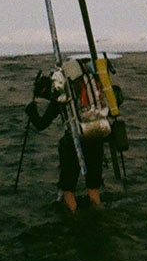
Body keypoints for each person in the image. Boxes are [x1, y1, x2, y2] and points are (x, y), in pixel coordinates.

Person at [25, 60, 111, 212]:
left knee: (68, 189)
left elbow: (41, 124)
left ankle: (73, 216)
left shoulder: (61, 97)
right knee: (93, 188)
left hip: (73, 142)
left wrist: (31, 112)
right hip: (96, 135)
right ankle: (98, 216)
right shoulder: (90, 89)